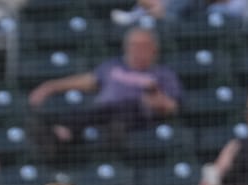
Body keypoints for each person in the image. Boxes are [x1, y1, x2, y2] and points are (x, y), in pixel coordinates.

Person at [27, 25, 182, 157]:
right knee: (93, 110)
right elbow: (86, 81)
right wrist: (50, 86)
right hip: (103, 114)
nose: (138, 50)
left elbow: (173, 106)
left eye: (143, 46)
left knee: (127, 107)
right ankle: (59, 134)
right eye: (134, 45)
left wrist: (157, 98)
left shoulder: (163, 74)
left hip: (139, 117)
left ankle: (69, 133)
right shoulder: (113, 67)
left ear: (154, 49)